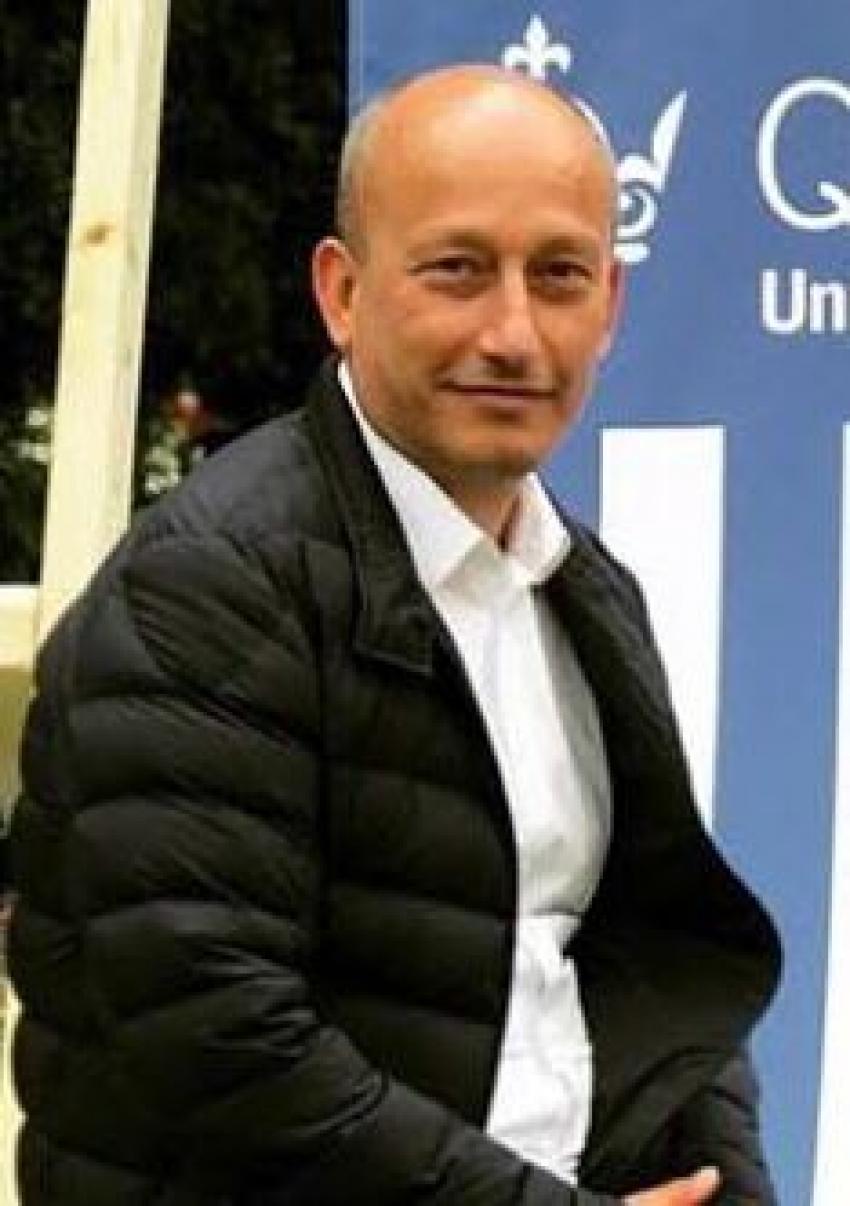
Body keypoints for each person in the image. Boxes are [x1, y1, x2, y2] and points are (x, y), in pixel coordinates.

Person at [8, 65, 781, 1205]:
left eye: (558, 275)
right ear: (341, 292)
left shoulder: (587, 595)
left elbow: (661, 977)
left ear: (610, 304)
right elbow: (217, 1041)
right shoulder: (206, 587)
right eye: (457, 269)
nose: (512, 332)